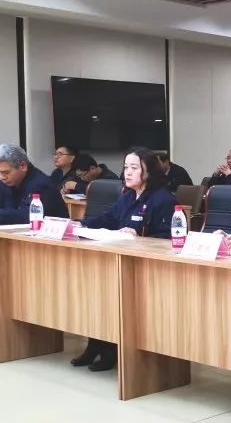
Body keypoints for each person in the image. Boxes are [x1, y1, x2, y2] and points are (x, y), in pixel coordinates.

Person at [73, 147, 177, 372]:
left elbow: (169, 237)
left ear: (149, 171)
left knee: (112, 297)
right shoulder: (128, 195)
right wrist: (80, 224)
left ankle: (111, 349)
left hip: (147, 267)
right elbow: (109, 218)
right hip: (119, 259)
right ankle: (95, 344)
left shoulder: (163, 199)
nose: (127, 172)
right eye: (126, 167)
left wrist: (138, 235)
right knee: (98, 295)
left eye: (134, 168)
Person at [0, 144, 67, 225]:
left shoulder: (41, 184)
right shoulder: (4, 183)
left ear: (23, 166)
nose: (1, 177)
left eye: (6, 172)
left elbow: (27, 215)